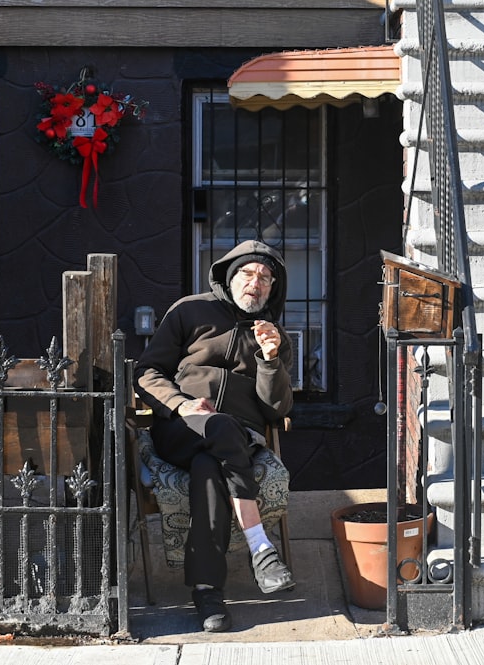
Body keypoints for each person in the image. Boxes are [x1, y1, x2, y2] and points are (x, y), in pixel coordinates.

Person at [134, 239, 295, 633]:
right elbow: (146, 372)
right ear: (229, 275)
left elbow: (276, 410)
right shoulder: (190, 311)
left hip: (237, 440)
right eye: (248, 273)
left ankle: (207, 593)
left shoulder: (273, 337)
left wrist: (270, 360)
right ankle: (261, 546)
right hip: (182, 428)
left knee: (210, 468)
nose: (256, 283)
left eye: (266, 278)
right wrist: (179, 403)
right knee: (218, 426)